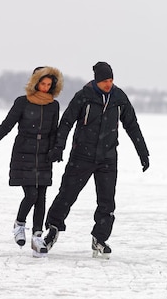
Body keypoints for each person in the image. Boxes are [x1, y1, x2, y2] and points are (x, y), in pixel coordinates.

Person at [43, 62, 150, 259]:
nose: (109, 84)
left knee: (107, 201)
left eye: (111, 80)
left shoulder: (119, 98)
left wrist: (143, 152)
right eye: (104, 81)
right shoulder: (84, 96)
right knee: (66, 195)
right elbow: (66, 122)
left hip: (108, 158)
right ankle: (53, 229)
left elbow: (132, 125)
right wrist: (59, 147)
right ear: (96, 80)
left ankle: (100, 238)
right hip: (81, 156)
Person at [0, 67, 63, 258]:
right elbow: (6, 125)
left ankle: (38, 237)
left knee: (41, 195)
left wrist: (57, 149)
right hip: (24, 151)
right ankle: (19, 224)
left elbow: (56, 131)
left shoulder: (53, 106)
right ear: (35, 82)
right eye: (43, 83)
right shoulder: (22, 102)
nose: (45, 87)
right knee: (31, 194)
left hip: (44, 154)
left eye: (49, 85)